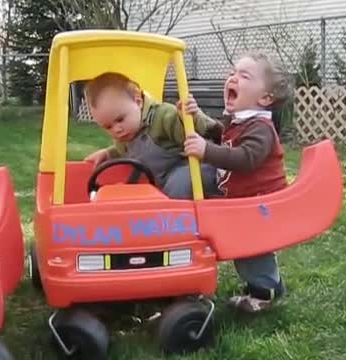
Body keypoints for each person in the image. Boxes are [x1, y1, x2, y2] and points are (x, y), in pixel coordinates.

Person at [182, 51, 292, 313]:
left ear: (265, 98)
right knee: (246, 250)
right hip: (245, 204)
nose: (233, 78)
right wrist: (197, 118)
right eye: (233, 72)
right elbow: (223, 136)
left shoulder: (261, 128)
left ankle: (265, 293)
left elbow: (245, 158)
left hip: (261, 206)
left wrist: (206, 151)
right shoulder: (240, 122)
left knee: (253, 251)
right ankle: (265, 286)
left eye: (244, 76)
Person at [83, 72, 219, 199]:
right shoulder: (125, 135)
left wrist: (188, 118)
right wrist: (108, 154)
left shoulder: (162, 116)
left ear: (138, 101)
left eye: (120, 119)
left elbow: (192, 133)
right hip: (164, 182)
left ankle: (174, 220)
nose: (116, 130)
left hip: (198, 170)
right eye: (108, 127)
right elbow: (123, 151)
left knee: (180, 182)